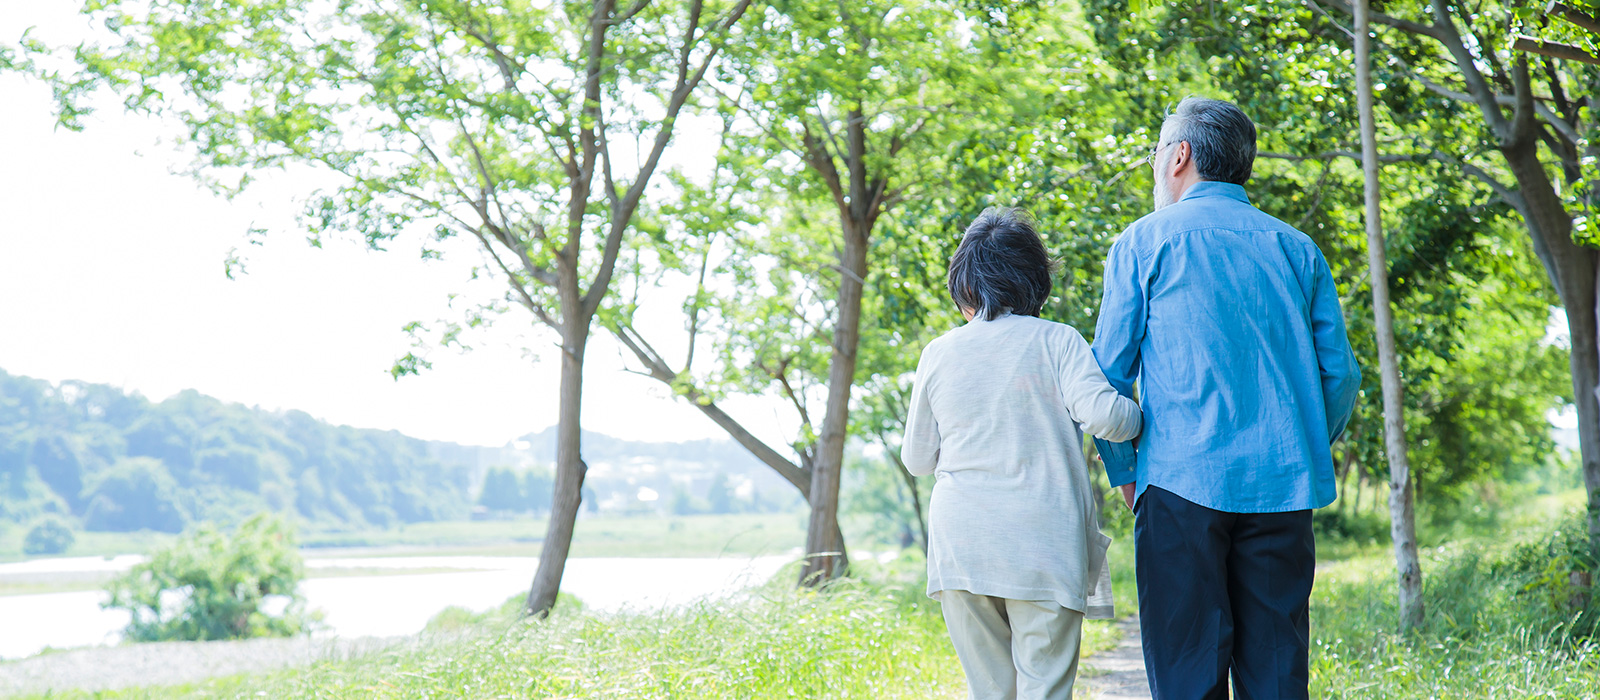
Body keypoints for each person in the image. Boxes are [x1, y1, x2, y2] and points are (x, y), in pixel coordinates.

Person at [1091, 97, 1362, 699]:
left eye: (1157, 152)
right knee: (1277, 674)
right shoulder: (1298, 250)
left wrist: (1127, 471)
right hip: (1282, 490)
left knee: (1187, 678)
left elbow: (1107, 378)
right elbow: (1340, 376)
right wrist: (1302, 444)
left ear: (1180, 155)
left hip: (1178, 488)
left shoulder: (1142, 243)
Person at [902, 207, 1143, 700]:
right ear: (1034, 280)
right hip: (1043, 543)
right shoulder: (1057, 341)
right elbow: (1105, 418)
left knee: (989, 692)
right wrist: (1142, 416)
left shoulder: (939, 352)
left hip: (962, 544)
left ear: (964, 284)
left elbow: (918, 459)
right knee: (1044, 688)